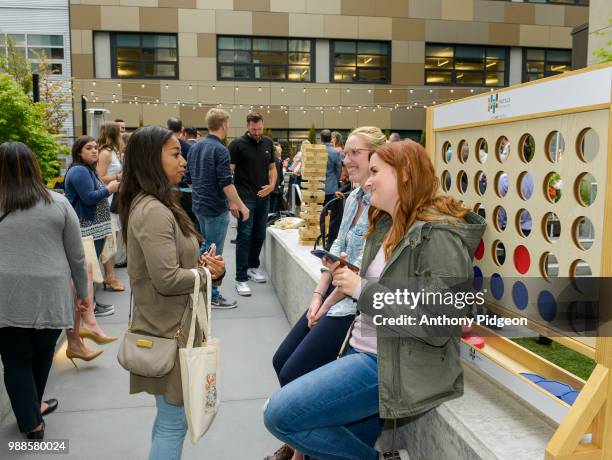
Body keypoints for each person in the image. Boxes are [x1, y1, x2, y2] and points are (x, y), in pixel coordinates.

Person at [264, 140, 486, 460]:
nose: (367, 181)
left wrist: (361, 289)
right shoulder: (386, 223)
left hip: (389, 365)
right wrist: (352, 276)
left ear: (405, 174)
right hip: (366, 352)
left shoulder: (439, 235)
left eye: (375, 172)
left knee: (277, 414)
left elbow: (440, 323)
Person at [265, 127, 386, 460]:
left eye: (354, 154)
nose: (345, 161)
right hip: (337, 298)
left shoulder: (382, 205)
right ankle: (300, 441)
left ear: (378, 155)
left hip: (352, 308)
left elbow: (357, 270)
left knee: (293, 371)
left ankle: (298, 447)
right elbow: (336, 250)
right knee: (281, 361)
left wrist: (326, 301)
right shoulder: (353, 199)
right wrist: (317, 297)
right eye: (345, 153)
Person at [118, 125, 226, 460]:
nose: (183, 161)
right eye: (175, 153)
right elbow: (166, 279)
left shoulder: (159, 204)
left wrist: (204, 268)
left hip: (172, 327)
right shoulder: (153, 210)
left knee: (168, 418)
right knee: (173, 422)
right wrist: (207, 273)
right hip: (171, 331)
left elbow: (171, 268)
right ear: (151, 159)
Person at [0, 141, 89, 439]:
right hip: (51, 293)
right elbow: (77, 255)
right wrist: (83, 294)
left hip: (5, 294)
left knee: (15, 360)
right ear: (34, 167)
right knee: (42, 353)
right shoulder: (58, 203)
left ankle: (30, 417)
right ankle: (32, 414)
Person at [186, 108, 249, 309]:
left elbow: (188, 180)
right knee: (214, 255)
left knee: (204, 250)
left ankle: (199, 290)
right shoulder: (221, 150)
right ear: (223, 125)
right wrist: (241, 206)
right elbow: (226, 184)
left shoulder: (195, 147)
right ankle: (212, 296)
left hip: (199, 207)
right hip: (215, 209)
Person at [65, 136, 120, 317]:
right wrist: (109, 189)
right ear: (79, 152)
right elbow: (89, 197)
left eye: (96, 147)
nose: (95, 150)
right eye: (89, 148)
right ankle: (89, 307)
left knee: (90, 268)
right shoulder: (80, 171)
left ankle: (92, 303)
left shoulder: (86, 170)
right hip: (87, 228)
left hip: (93, 228)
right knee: (87, 270)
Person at [228, 112, 277, 297]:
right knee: (244, 236)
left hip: (264, 197)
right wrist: (232, 200)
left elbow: (272, 168)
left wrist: (272, 186)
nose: (257, 132)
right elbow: (228, 174)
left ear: (263, 126)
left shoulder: (268, 143)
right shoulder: (237, 145)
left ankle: (252, 267)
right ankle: (240, 278)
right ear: (247, 126)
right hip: (244, 198)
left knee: (259, 234)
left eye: (260, 128)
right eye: (253, 129)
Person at [97, 121, 126, 285]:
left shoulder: (112, 152)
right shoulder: (106, 153)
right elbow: (99, 177)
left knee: (112, 237)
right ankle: (110, 276)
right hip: (108, 200)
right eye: (119, 131)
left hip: (114, 199)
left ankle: (110, 275)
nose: (122, 134)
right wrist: (118, 177)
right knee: (110, 238)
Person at [321, 129, 343, 249]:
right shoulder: (335, 152)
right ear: (331, 138)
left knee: (321, 215)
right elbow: (338, 169)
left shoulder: (317, 150)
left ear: (321, 138)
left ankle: (321, 237)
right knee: (335, 215)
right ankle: (330, 242)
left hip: (317, 187)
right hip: (332, 187)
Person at [270, 143, 286, 214]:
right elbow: (280, 176)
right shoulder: (278, 161)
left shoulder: (269, 159)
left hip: (269, 188)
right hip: (275, 188)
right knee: (273, 210)